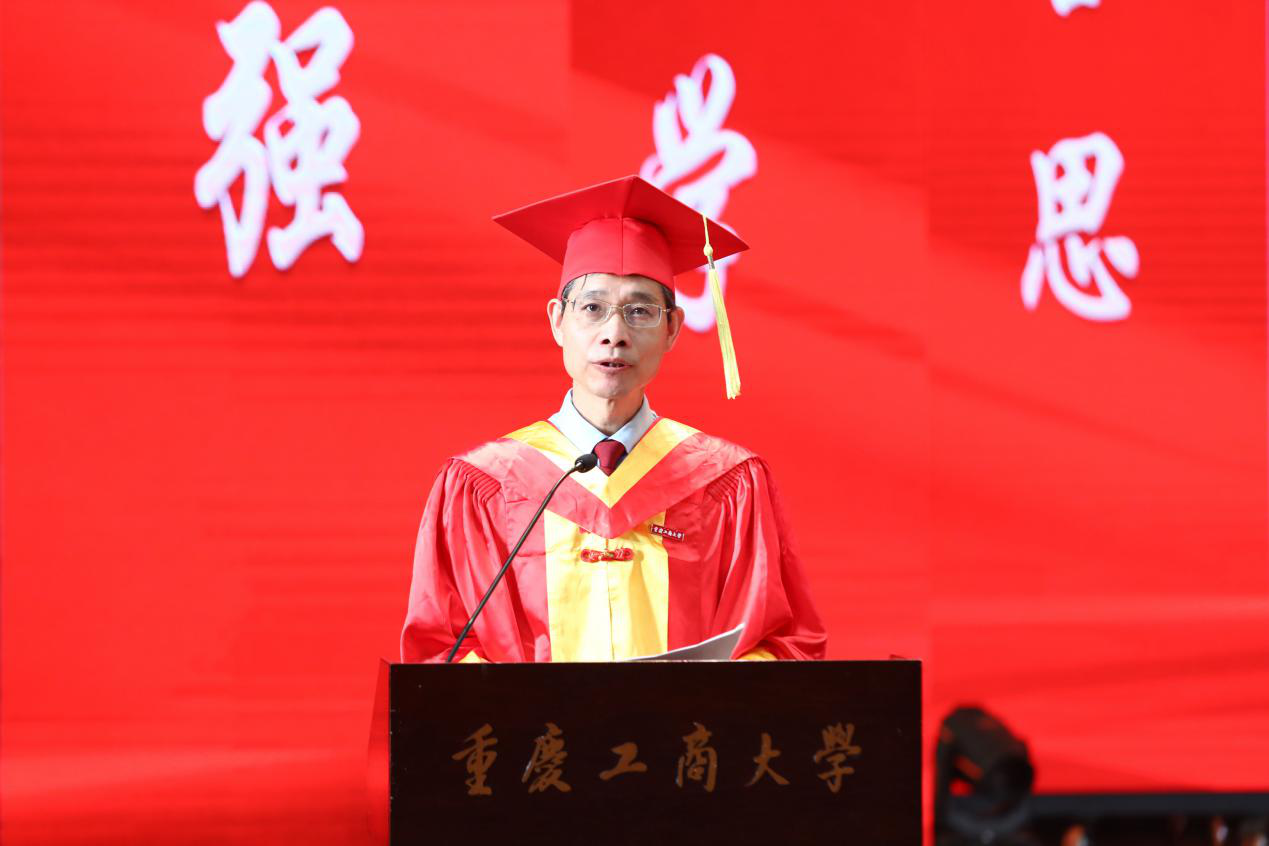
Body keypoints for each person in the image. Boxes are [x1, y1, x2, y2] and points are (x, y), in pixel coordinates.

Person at [400, 175, 826, 663]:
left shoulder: (726, 482)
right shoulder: (487, 485)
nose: (615, 334)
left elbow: (780, 644)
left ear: (673, 328)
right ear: (557, 320)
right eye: (593, 308)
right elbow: (442, 649)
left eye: (640, 311)